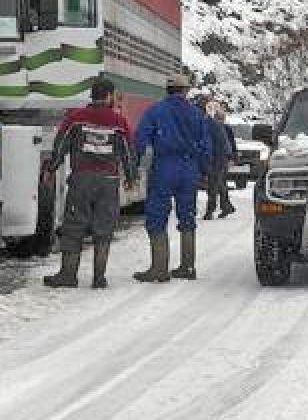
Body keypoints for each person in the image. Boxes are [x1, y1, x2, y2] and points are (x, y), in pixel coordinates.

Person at [42, 77, 137, 289]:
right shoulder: (119, 122)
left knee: (74, 226)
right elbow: (129, 153)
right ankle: (99, 277)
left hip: (81, 181)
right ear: (108, 96)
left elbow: (61, 145)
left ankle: (68, 275)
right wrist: (131, 178)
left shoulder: (76, 118)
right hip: (108, 182)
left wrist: (51, 169)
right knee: (104, 228)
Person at [133, 74, 212, 282]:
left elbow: (141, 139)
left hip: (164, 167)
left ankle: (159, 269)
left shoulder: (155, 111)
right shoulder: (197, 114)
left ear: (167, 89)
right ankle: (187, 266)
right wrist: (204, 172)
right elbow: (206, 146)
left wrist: (134, 166)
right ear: (185, 91)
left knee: (157, 216)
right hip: (189, 169)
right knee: (187, 218)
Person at [204, 105, 237, 219]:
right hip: (220, 159)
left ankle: (211, 210)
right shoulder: (216, 126)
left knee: (214, 185)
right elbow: (228, 144)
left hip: (216, 159)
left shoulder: (212, 126)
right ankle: (226, 206)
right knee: (219, 183)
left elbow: (224, 144)